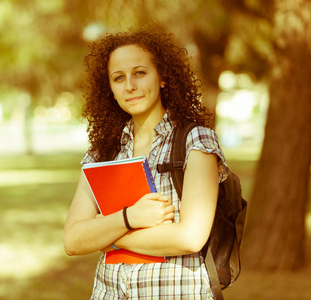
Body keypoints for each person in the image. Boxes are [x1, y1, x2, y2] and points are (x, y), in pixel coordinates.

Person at [64, 25, 229, 299]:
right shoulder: (102, 152)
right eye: (118, 78)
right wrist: (130, 218)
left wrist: (107, 235)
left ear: (162, 77)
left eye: (140, 73)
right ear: (110, 90)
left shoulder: (195, 140)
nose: (130, 86)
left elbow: (190, 237)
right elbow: (72, 240)